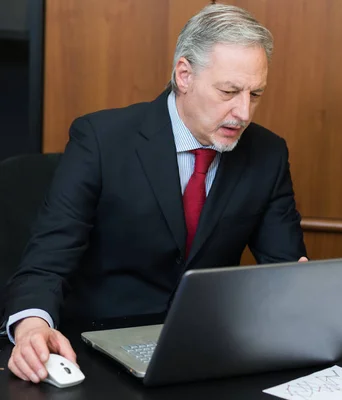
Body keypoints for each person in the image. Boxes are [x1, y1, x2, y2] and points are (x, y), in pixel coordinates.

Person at [2, 4, 307, 383]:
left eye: (255, 94)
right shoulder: (101, 139)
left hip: (208, 351)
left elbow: (286, 268)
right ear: (184, 75)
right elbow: (47, 259)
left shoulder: (267, 153)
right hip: (98, 347)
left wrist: (313, 301)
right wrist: (32, 326)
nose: (243, 112)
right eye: (228, 91)